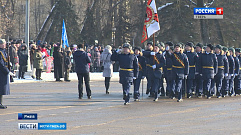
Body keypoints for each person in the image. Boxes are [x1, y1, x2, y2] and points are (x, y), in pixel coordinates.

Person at [0, 39, 13, 109]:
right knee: (1, 88)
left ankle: (0, 103)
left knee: (1, 89)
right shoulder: (0, 52)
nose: (5, 45)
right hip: (1, 72)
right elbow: (1, 64)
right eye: (3, 44)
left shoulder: (3, 51)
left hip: (2, 72)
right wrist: (7, 71)